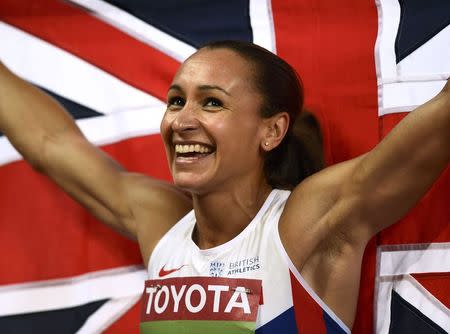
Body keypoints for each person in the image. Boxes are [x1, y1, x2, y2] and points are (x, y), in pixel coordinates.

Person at [0, 40, 448, 333]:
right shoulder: (161, 222)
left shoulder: (304, 224)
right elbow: (50, 143)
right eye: (177, 100)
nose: (182, 121)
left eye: (212, 102)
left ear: (271, 132)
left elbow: (436, 127)